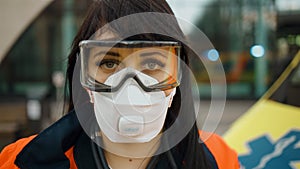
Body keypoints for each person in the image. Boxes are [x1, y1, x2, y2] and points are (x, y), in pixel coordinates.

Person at [0, 0, 239, 168]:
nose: (130, 84)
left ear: (178, 75)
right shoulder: (20, 161)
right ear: (83, 76)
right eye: (109, 63)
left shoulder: (218, 158)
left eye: (153, 64)